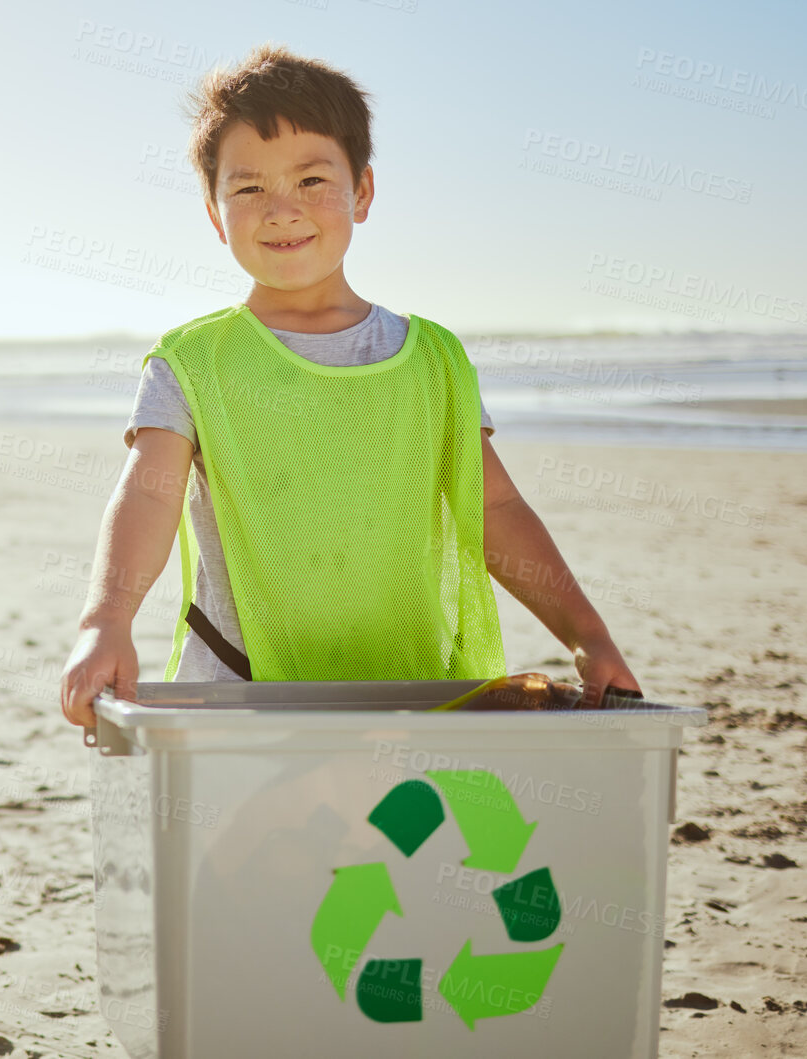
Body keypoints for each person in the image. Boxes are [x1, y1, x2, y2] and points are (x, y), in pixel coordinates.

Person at [59, 43, 643, 727]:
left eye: (311, 181)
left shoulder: (433, 360)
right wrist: (104, 621)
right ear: (215, 214)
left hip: (405, 692)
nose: (281, 209)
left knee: (406, 837)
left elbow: (497, 512)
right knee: (257, 836)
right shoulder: (192, 362)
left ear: (361, 192)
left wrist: (588, 635)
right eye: (248, 188)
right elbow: (146, 494)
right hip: (243, 695)